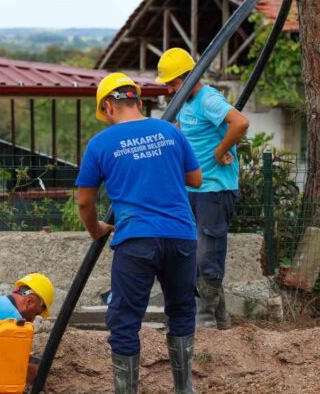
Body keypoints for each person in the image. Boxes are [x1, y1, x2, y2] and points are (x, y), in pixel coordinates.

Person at [76, 72, 202, 394]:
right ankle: (184, 388)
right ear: (138, 100)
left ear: (107, 106)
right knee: (182, 311)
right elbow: (196, 179)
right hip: (181, 236)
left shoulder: (101, 143)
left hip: (136, 241)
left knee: (125, 321)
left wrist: (97, 230)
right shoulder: (170, 132)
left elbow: (85, 202)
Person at [156, 48, 250, 330]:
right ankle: (219, 319)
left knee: (208, 250)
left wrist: (221, 151)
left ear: (187, 78)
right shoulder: (186, 103)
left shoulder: (208, 98)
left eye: (172, 83)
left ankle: (206, 317)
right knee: (192, 250)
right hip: (194, 188)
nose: (169, 89)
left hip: (215, 189)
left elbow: (240, 122)